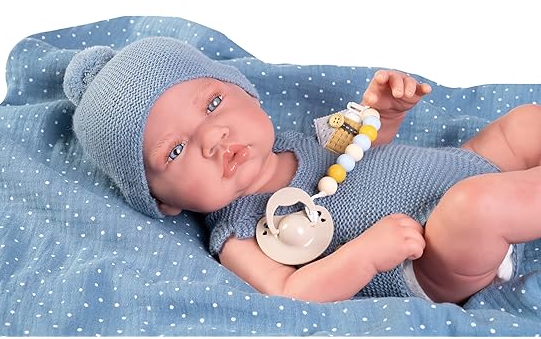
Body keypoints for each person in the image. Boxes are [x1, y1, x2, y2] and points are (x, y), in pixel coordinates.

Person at [63, 36, 541, 305]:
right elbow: (290, 293)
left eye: (212, 104)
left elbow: (367, 142)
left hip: (464, 166)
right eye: (175, 151)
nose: (213, 137)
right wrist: (366, 256)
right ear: (161, 200)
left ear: (247, 93)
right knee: (476, 207)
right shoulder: (238, 234)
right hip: (433, 252)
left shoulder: (304, 139)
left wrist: (385, 113)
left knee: (523, 125)